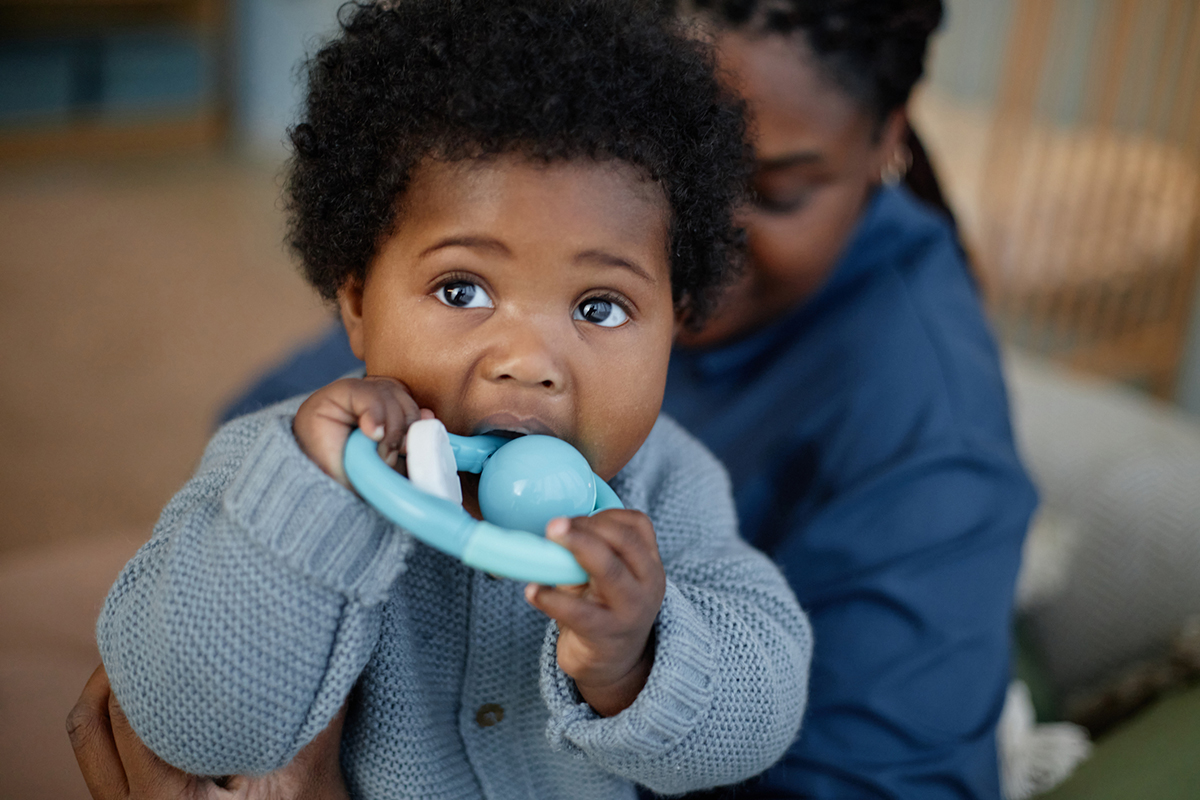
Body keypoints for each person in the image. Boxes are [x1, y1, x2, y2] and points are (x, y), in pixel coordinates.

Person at [72, 0, 1037, 798]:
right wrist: (301, 501)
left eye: (602, 305)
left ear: (675, 317)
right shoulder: (283, 462)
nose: (529, 360)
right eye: (463, 291)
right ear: (355, 301)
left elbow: (766, 696)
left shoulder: (668, 486)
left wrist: (638, 657)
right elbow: (184, 720)